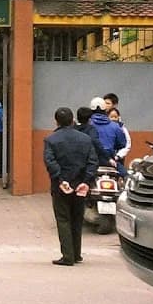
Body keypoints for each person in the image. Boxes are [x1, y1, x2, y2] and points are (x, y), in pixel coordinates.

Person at [43, 106, 98, 267]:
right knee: (77, 219)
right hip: (80, 184)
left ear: (56, 122)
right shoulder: (85, 139)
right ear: (72, 120)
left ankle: (67, 256)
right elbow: (92, 161)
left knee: (63, 219)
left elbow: (50, 161)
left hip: (61, 186)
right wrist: (86, 181)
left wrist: (60, 179)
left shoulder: (51, 140)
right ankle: (76, 254)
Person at [89, 97, 126, 169]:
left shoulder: (87, 125)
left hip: (90, 163)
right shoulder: (115, 126)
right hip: (110, 162)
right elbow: (122, 144)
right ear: (105, 109)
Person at [107, 107, 132, 177]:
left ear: (119, 117)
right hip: (106, 158)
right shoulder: (105, 128)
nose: (113, 119)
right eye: (111, 117)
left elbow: (127, 145)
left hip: (118, 159)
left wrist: (118, 156)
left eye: (115, 117)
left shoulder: (123, 129)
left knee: (123, 175)